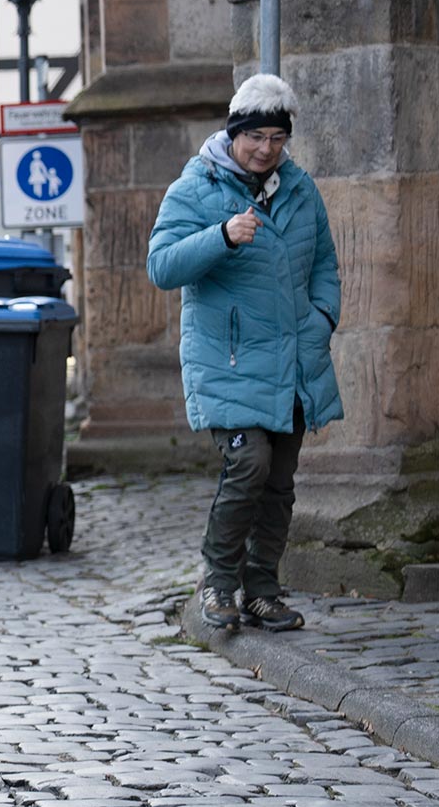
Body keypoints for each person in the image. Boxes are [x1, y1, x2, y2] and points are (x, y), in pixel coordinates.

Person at [147, 73, 342, 634]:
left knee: (279, 482)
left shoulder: (300, 190)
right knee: (248, 464)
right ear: (234, 132)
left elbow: (326, 264)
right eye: (255, 137)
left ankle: (261, 590)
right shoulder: (196, 186)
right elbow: (161, 267)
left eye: (277, 139)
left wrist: (322, 319)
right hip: (227, 361)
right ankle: (219, 582)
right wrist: (222, 237)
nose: (265, 149)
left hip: (294, 360)